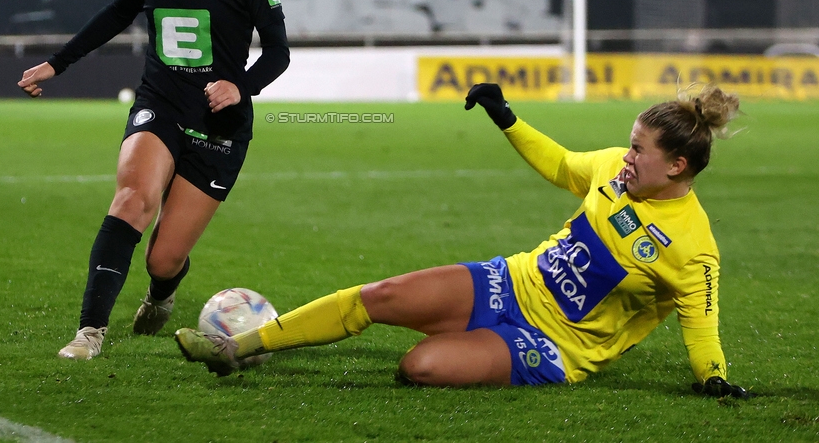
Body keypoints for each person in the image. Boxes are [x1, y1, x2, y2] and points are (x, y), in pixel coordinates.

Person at [175, 83, 749, 397]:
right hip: (512, 282)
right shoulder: (611, 171)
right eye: (628, 143)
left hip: (556, 347)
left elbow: (701, 326)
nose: (625, 157)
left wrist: (715, 379)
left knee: (419, 367)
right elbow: (561, 164)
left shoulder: (691, 246)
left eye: (638, 150)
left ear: (676, 166)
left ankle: (475, 344)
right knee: (382, 295)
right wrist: (507, 119)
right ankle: (235, 350)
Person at [18, 0, 290, 360]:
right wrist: (57, 65)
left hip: (219, 124)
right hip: (160, 106)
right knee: (132, 199)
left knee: (164, 258)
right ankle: (89, 333)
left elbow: (279, 51)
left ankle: (162, 293)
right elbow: (112, 17)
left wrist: (242, 86)